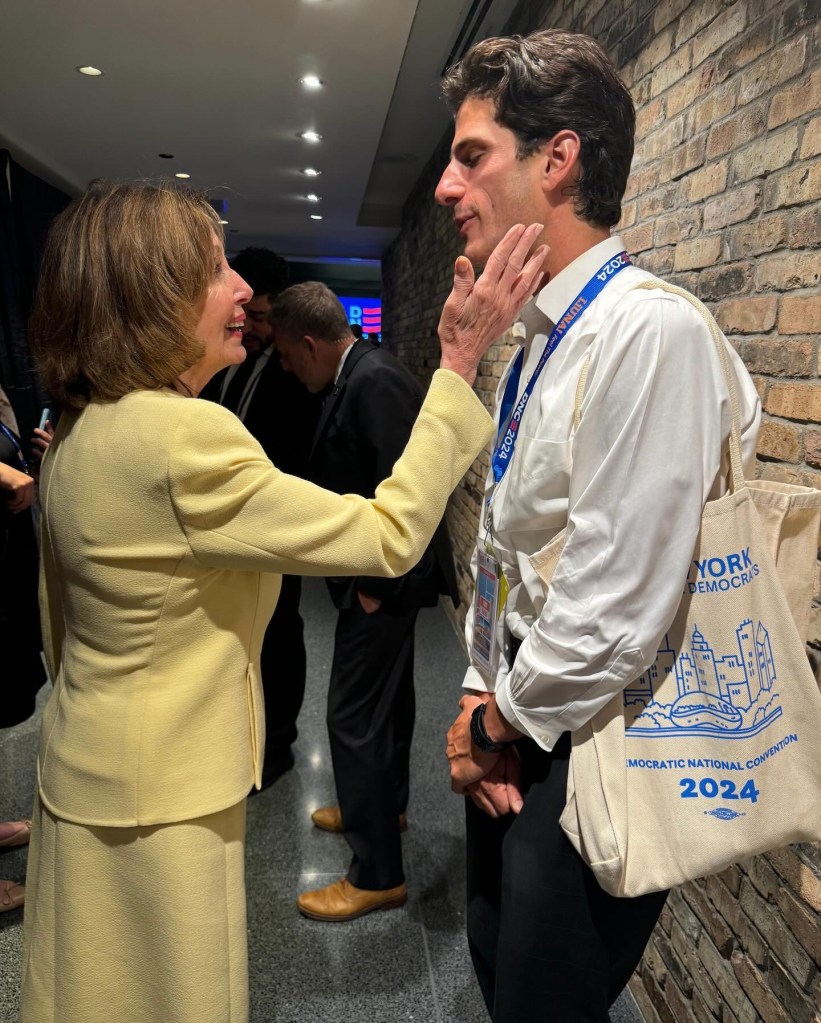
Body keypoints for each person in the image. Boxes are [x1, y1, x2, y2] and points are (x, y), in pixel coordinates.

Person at [20, 179, 545, 1023]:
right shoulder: (179, 434)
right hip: (166, 796)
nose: (239, 290)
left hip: (82, 771)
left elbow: (60, 626)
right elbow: (386, 532)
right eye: (212, 268)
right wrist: (455, 366)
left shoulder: (83, 427)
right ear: (149, 295)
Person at [437, 30, 762, 1022]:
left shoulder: (648, 331)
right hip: (522, 716)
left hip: (597, 743)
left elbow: (616, 605)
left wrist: (493, 728)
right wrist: (475, 689)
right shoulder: (541, 336)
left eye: (471, 155)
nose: (448, 188)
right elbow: (512, 545)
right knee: (497, 968)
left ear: (557, 157)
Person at [270, 282, 460, 921]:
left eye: (290, 357)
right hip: (379, 582)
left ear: (309, 342)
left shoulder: (374, 380)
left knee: (352, 719)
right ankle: (383, 809)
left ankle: (376, 871)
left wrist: (377, 591)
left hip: (383, 584)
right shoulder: (361, 371)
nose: (290, 371)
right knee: (387, 706)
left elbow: (407, 492)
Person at [201, 246, 321, 789]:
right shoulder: (234, 363)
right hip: (230, 525)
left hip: (274, 519)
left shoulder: (295, 370)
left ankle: (278, 748)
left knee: (279, 633)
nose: (248, 325)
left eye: (259, 316)